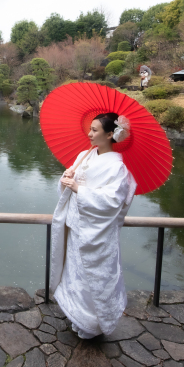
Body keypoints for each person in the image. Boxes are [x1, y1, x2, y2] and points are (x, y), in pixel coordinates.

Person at [49, 112, 137, 339]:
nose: (89, 133)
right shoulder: (84, 155)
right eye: (90, 128)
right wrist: (67, 178)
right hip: (76, 227)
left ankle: (92, 324)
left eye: (95, 130)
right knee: (74, 274)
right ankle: (76, 317)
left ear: (110, 134)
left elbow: (112, 201)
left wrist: (79, 188)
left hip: (97, 232)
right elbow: (70, 187)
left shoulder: (116, 168)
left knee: (94, 279)